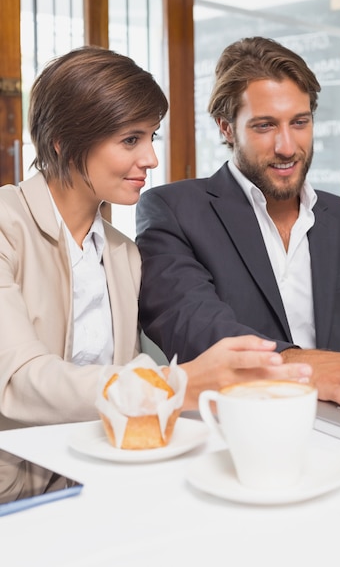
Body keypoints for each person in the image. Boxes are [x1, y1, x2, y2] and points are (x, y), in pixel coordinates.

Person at [0, 45, 310, 426]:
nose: (151, 159)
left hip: (98, 469)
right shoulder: (7, 226)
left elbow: (128, 405)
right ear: (62, 142)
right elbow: (17, 380)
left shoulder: (123, 253)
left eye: (151, 137)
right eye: (130, 140)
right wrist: (175, 383)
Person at [136, 36, 340, 412]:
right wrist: (299, 366)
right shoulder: (173, 211)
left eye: (299, 122)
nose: (287, 146)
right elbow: (195, 326)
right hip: (239, 429)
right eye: (265, 126)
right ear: (226, 128)